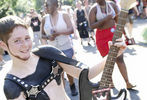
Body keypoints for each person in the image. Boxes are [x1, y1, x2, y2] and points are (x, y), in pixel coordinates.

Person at [0, 15, 126, 100]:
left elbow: (85, 74)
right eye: (17, 41)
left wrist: (112, 55)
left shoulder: (48, 53)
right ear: (3, 45)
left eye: (27, 38)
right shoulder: (12, 85)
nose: (25, 45)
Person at [89, 0, 136, 89]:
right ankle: (111, 83)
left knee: (120, 59)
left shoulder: (112, 5)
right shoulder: (93, 9)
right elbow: (91, 25)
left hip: (114, 33)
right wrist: (105, 19)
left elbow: (119, 21)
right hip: (101, 37)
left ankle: (127, 82)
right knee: (106, 62)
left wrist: (124, 34)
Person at [41, 0, 78, 96]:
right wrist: (48, 37)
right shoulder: (44, 18)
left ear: (55, 5)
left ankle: (72, 84)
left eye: (47, 5)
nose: (46, 7)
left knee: (68, 69)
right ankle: (63, 93)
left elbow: (71, 30)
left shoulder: (64, 15)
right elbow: (42, 35)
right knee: (58, 72)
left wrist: (59, 32)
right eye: (45, 5)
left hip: (66, 47)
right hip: (52, 49)